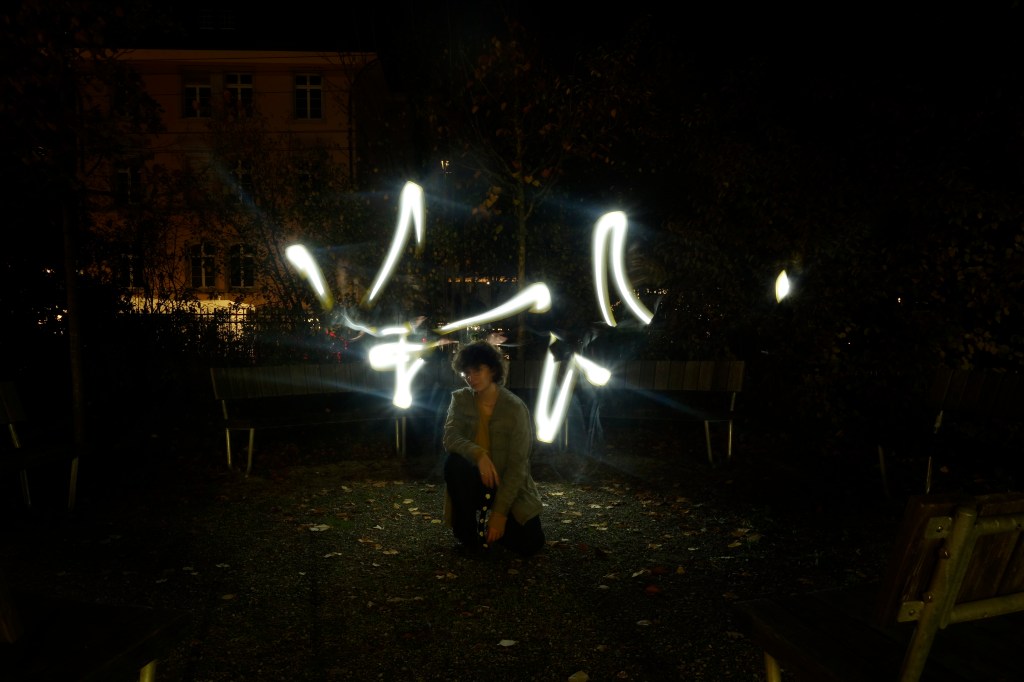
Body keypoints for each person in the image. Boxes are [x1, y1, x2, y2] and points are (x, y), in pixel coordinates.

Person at [442, 340, 545, 556]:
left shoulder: (514, 408)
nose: (471, 378)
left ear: (493, 370)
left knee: (529, 544)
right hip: (474, 478)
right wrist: (479, 455)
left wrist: (499, 515)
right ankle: (468, 536)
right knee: (454, 464)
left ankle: (495, 530)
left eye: (477, 370)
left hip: (505, 481)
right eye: (466, 373)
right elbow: (450, 436)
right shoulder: (461, 399)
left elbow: (518, 465)